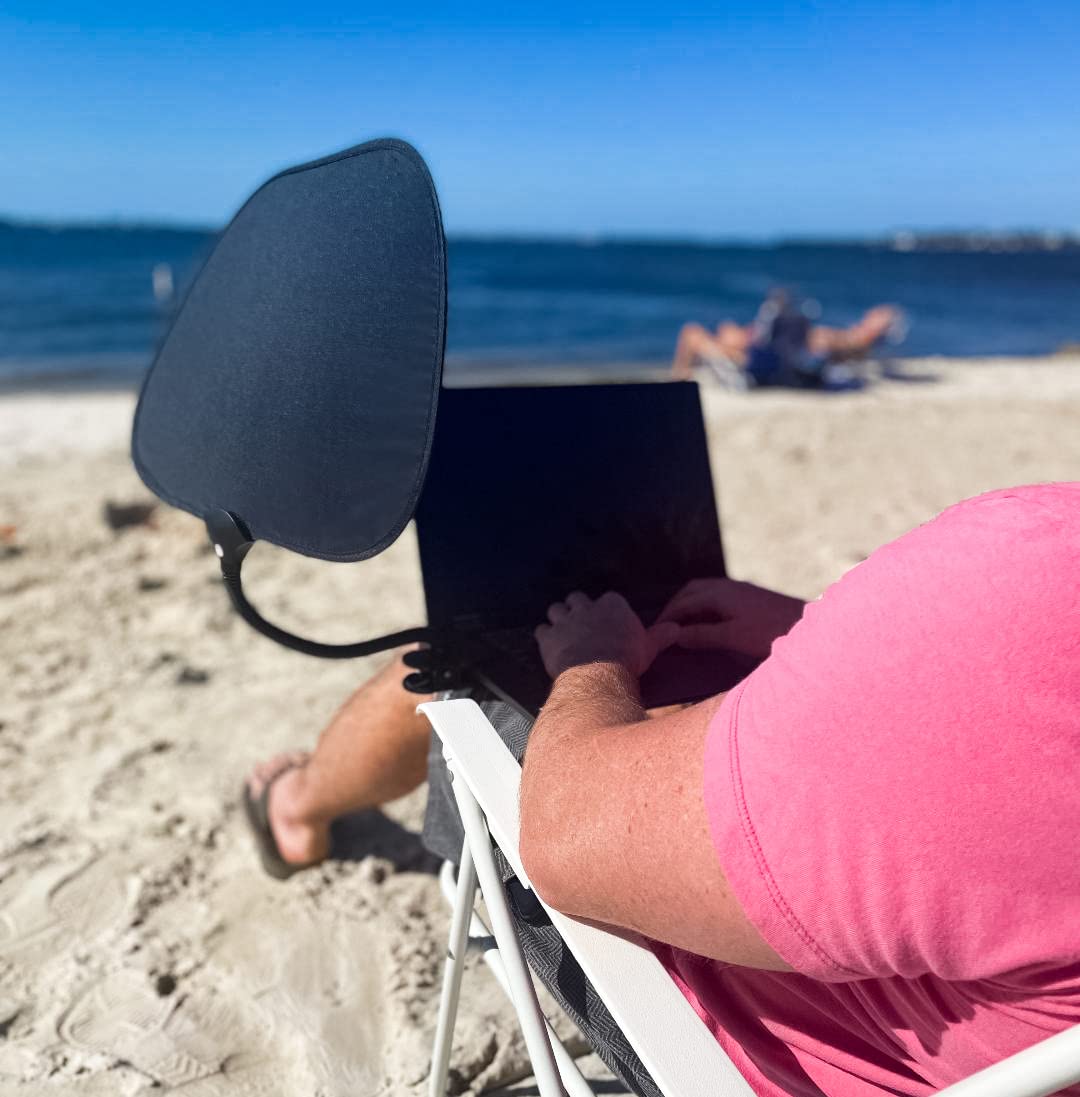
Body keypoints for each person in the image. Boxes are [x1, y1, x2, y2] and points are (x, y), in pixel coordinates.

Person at [244, 483, 1080, 1095]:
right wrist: (814, 628)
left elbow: (569, 833)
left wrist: (592, 663)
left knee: (468, 655)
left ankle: (297, 808)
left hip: (738, 1049)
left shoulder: (1028, 583)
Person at [672, 290, 906, 388]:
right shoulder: (849, 343)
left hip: (760, 366)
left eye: (875, 317)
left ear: (879, 329)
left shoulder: (847, 342)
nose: (867, 316)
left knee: (693, 333)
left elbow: (807, 350)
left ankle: (678, 382)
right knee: (725, 331)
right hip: (767, 360)